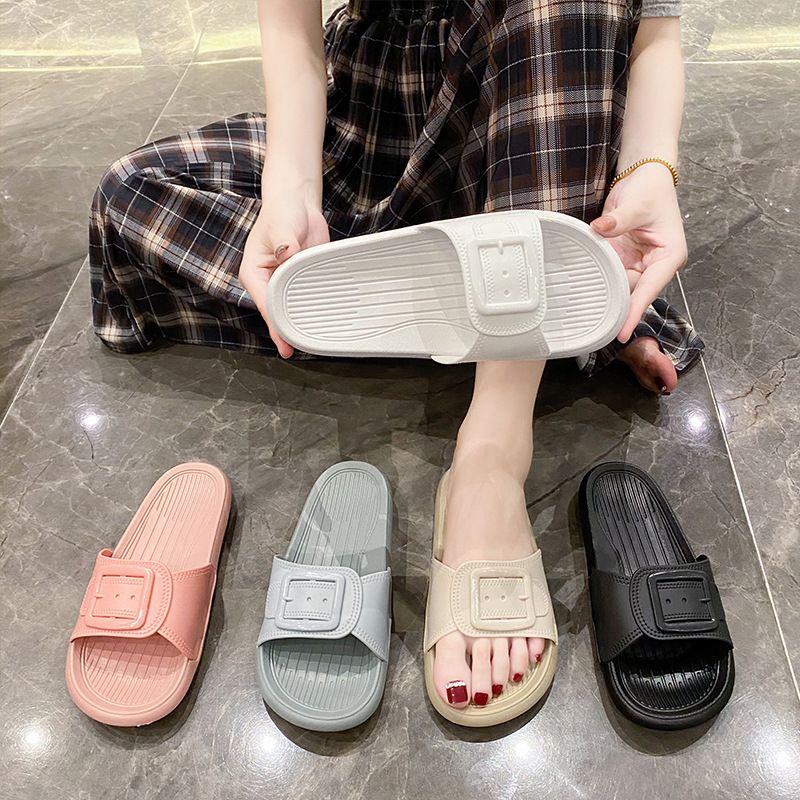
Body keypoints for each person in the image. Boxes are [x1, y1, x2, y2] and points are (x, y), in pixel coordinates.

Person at [89, 0, 702, 711]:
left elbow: (655, 31)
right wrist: (291, 193)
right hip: (376, 113)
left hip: (537, 113)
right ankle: (567, 309)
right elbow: (290, 29)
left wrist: (649, 170)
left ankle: (492, 455)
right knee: (129, 193)